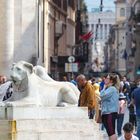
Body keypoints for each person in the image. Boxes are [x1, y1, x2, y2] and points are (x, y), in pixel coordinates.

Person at [100, 73, 119, 140]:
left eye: (107, 78)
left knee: (111, 132)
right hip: (107, 113)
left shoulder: (112, 88)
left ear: (111, 81)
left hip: (109, 113)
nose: (105, 79)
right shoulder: (109, 88)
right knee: (109, 132)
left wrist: (104, 87)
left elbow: (101, 96)